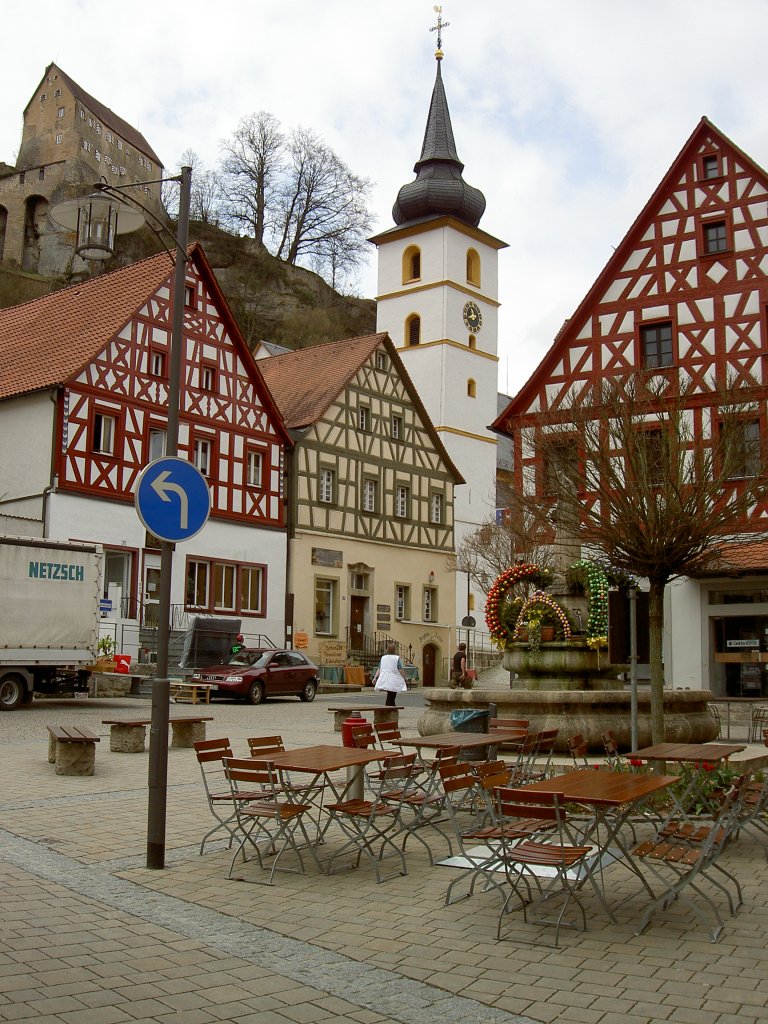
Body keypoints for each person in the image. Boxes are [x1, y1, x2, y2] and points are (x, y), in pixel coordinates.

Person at [371, 641, 407, 707]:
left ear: (387, 649)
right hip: (393, 678)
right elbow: (400, 669)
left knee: (390, 694)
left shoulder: (383, 658)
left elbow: (379, 668)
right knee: (392, 694)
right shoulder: (396, 658)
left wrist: (375, 677)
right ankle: (389, 709)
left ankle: (391, 708)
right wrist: (404, 677)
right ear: (394, 650)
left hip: (385, 678)